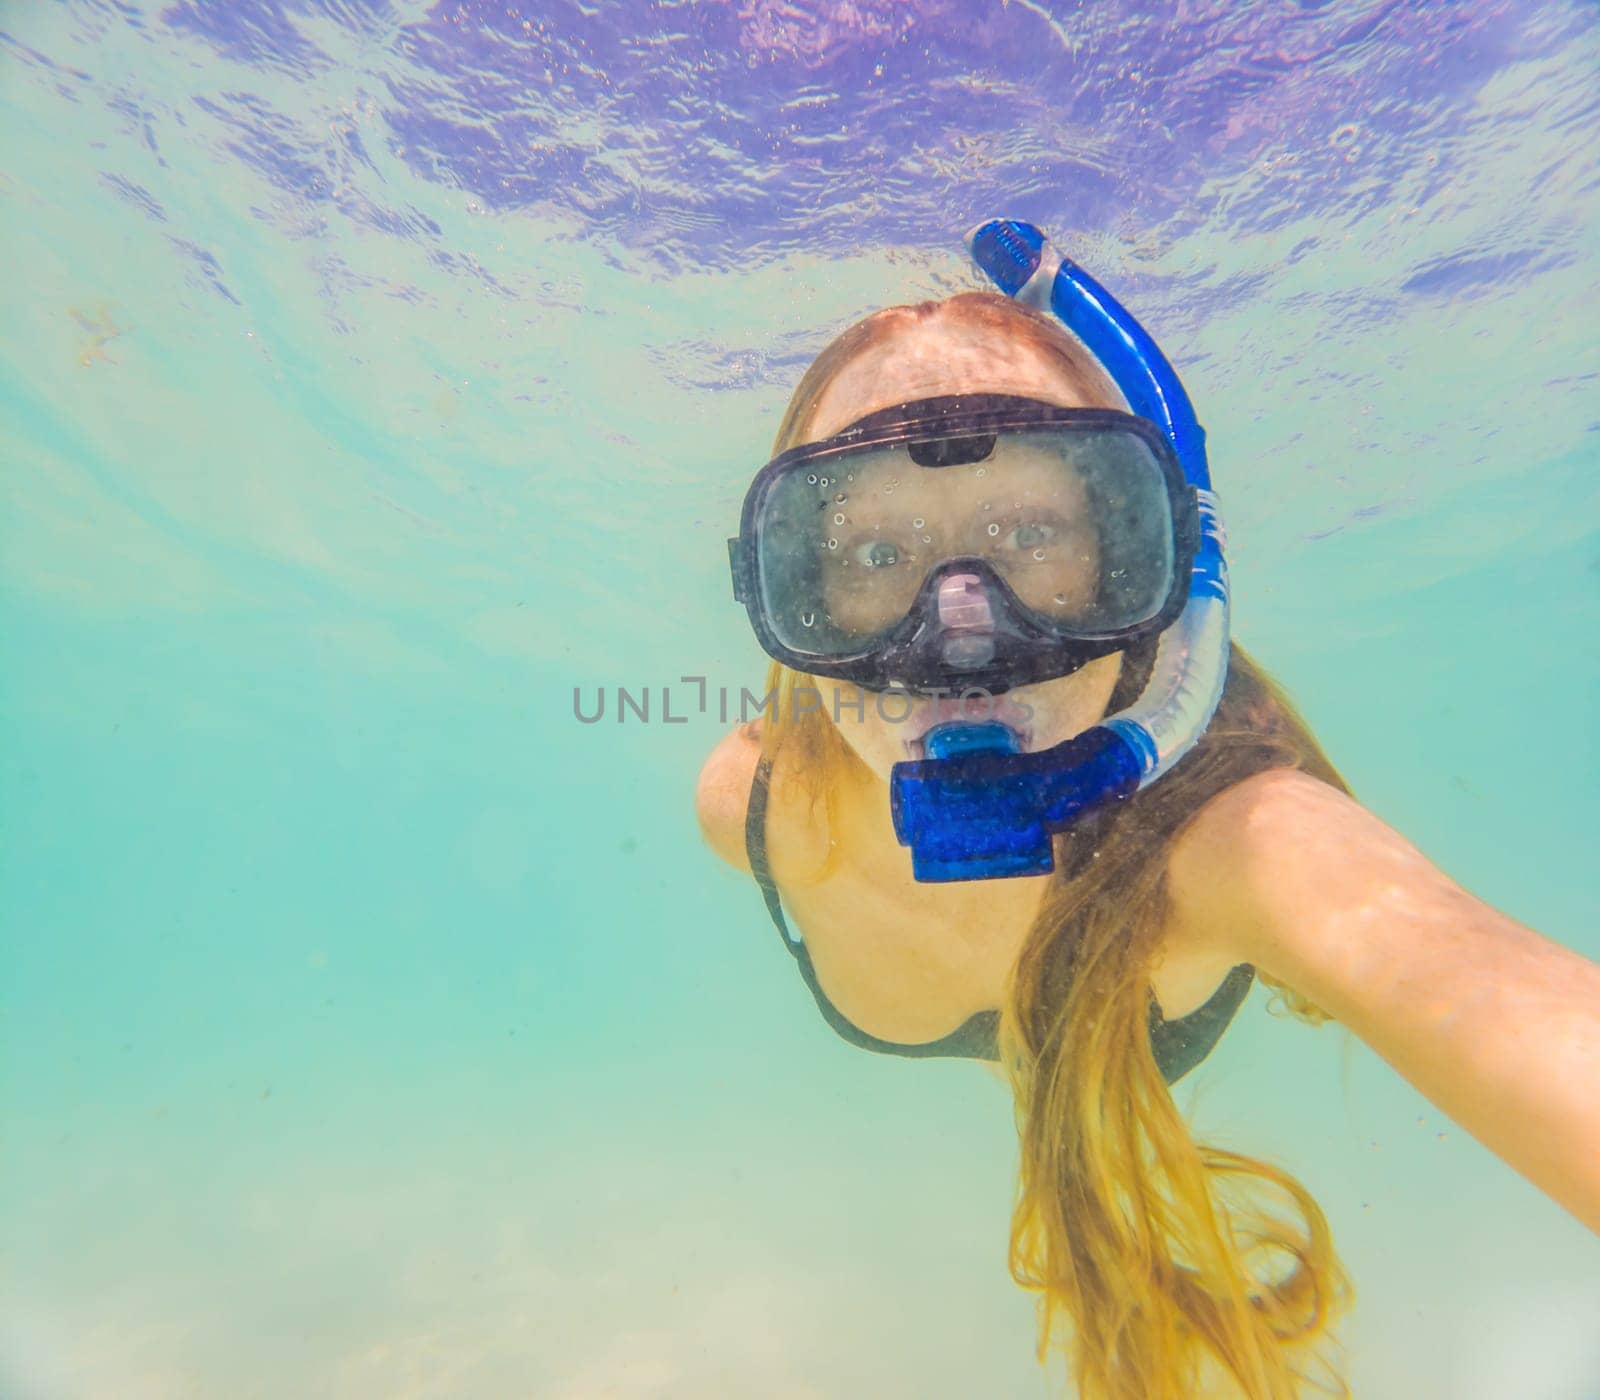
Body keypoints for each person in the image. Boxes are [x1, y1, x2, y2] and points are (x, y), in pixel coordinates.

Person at [695, 221, 1600, 1399]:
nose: (963, 635)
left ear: (1150, 566)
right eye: (873, 548)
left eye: (1034, 536)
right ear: (789, 591)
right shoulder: (754, 804)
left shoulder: (1242, 843)